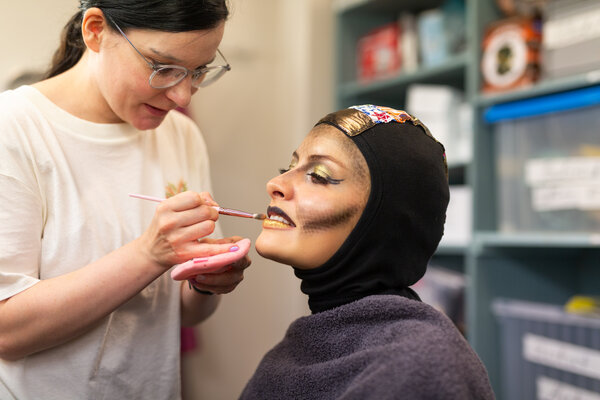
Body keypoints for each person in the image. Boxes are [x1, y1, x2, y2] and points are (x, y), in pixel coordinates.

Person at [0, 2, 251, 399]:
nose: (182, 94)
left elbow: (180, 314)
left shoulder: (181, 136)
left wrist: (206, 282)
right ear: (96, 30)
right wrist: (148, 255)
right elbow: (5, 331)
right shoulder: (14, 130)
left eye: (199, 71)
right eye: (162, 67)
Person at [240, 105, 495, 399]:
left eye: (319, 175)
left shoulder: (420, 365)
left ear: (385, 218)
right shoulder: (297, 347)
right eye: (289, 168)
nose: (276, 184)